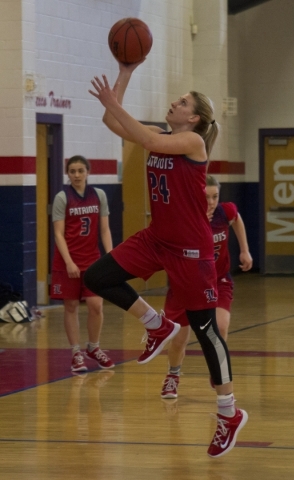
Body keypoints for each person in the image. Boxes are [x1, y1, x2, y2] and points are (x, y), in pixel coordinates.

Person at [85, 61, 248, 458]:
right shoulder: (161, 135)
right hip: (158, 238)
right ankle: (156, 324)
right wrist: (125, 71)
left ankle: (228, 413)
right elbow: (112, 120)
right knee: (97, 276)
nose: (174, 103)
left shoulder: (193, 143)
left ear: (193, 118)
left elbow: (146, 139)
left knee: (206, 330)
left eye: (182, 101)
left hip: (192, 249)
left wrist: (117, 102)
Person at [161, 174, 253, 399]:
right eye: (206, 197)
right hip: (185, 284)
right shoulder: (184, 217)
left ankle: (217, 370)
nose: (211, 202)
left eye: (215, 197)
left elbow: (237, 219)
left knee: (221, 326)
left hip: (218, 280)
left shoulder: (225, 211)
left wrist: (244, 249)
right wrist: (198, 221)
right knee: (179, 339)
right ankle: (173, 375)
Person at [50, 155, 115, 373]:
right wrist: (68, 262)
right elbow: (58, 234)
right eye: (72, 171)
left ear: (88, 172)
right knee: (71, 306)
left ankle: (94, 347)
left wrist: (112, 256)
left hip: (92, 260)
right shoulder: (62, 197)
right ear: (67, 174)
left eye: (80, 170)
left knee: (96, 306)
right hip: (68, 261)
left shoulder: (99, 195)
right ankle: (76, 352)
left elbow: (104, 230)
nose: (77, 175)